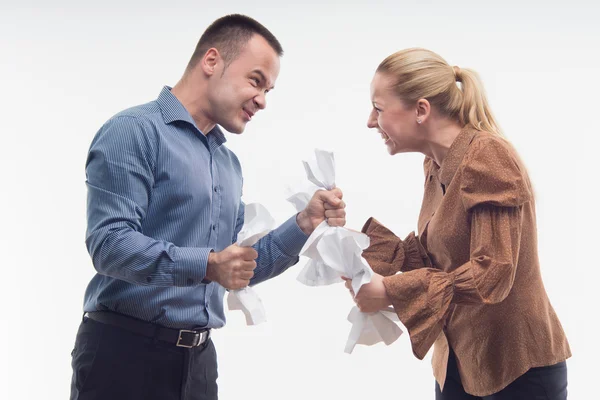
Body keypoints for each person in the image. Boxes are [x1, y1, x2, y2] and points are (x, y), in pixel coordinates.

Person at [70, 14, 346, 400]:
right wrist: (208, 265)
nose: (263, 101)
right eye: (256, 80)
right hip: (123, 358)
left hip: (198, 363)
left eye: (269, 89)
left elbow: (235, 268)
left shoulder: (227, 164)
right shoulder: (133, 130)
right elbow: (109, 245)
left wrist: (304, 222)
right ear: (212, 61)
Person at [345, 48, 571, 399]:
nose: (370, 122)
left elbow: (491, 273)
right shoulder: (437, 164)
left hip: (517, 370)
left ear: (421, 110)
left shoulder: (487, 156)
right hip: (459, 363)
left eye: (378, 108)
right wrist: (347, 243)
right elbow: (434, 254)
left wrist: (389, 291)